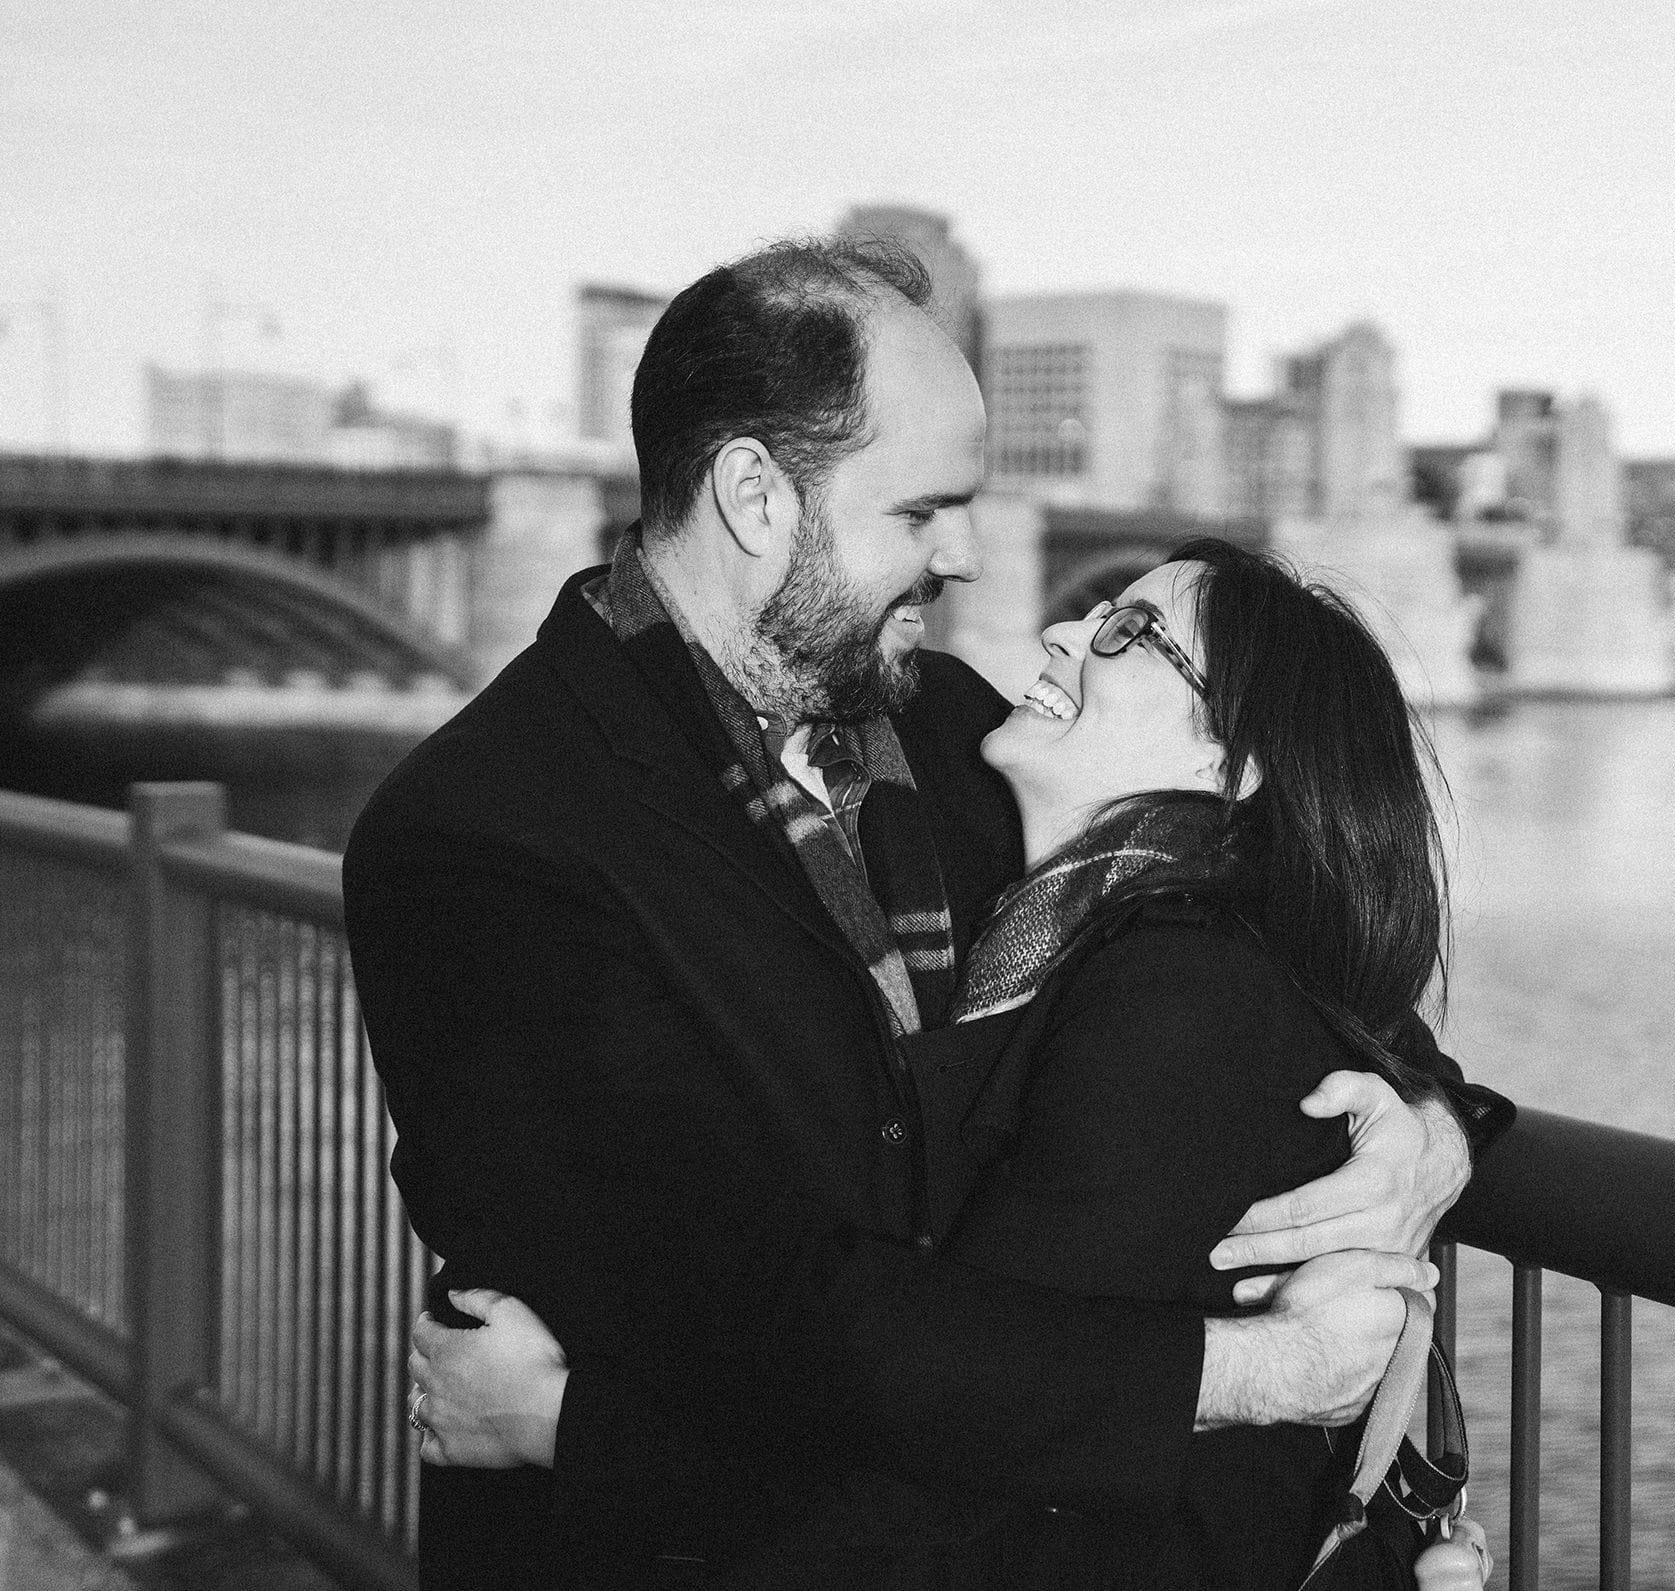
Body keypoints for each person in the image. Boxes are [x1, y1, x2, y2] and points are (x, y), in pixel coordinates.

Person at [343, 235, 1506, 1588]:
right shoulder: (482, 835)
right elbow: (764, 1311)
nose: (964, 556)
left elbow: (1280, 953)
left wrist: (1430, 1135)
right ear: (754, 493)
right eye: (920, 510)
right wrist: (1257, 1369)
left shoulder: (958, 736)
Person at [418, 540, 1469, 1585]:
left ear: (1234, 766)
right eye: (1095, 610)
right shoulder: (1053, 884)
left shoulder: (1174, 997)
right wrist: (1437, 1126)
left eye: (1129, 634)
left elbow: (966, 1472)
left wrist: (566, 1429)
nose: (1062, 631)